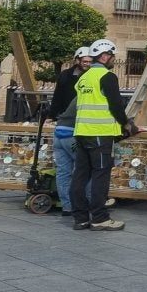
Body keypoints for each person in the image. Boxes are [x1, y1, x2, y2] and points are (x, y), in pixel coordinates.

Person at [70, 38, 135, 232]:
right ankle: (99, 218)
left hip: (81, 132)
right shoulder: (107, 77)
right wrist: (127, 124)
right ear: (105, 56)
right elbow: (116, 105)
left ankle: (80, 218)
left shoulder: (84, 77)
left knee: (80, 176)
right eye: (112, 56)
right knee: (100, 176)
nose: (113, 59)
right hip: (100, 134)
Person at [48, 46, 91, 217]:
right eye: (85, 61)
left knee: (64, 170)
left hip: (62, 129)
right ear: (77, 60)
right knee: (83, 168)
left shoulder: (84, 76)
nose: (87, 64)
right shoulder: (72, 77)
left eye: (90, 61)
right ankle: (82, 203)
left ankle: (67, 205)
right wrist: (52, 114)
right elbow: (58, 96)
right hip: (73, 128)